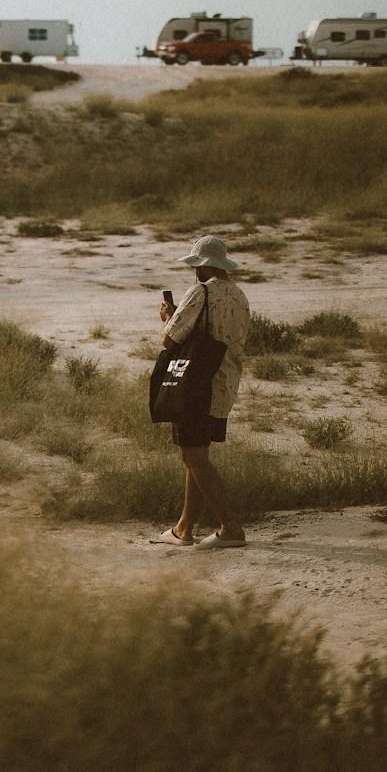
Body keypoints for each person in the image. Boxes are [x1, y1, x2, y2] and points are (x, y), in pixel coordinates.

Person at [154, 235, 251, 550]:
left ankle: (231, 526)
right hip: (225, 384)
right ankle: (184, 528)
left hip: (196, 384)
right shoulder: (239, 295)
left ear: (204, 265)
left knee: (192, 454)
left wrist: (169, 316)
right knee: (196, 452)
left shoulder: (200, 292)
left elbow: (170, 340)